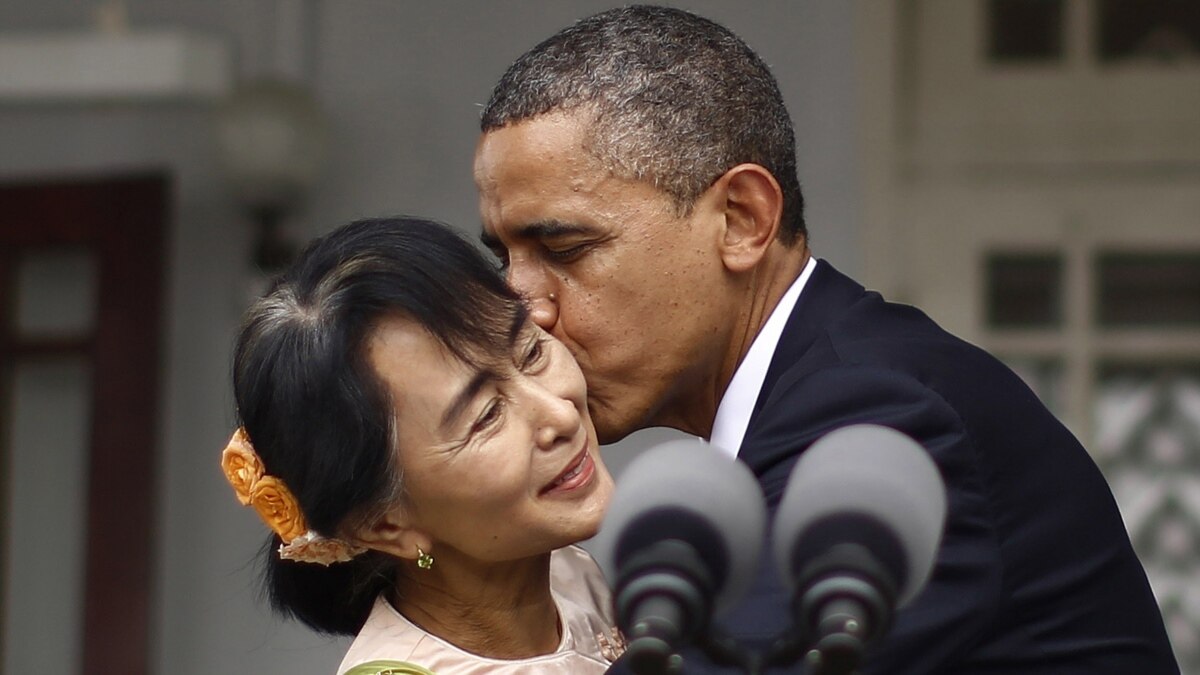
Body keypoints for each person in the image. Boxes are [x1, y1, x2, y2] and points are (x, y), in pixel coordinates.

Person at [473, 5, 1179, 673]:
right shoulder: (826, 395)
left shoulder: (882, 421)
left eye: (563, 247)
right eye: (503, 256)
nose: (521, 305)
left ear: (742, 220)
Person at [220, 217, 623, 674]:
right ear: (384, 524)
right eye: (486, 415)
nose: (560, 415)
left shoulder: (575, 579)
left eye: (531, 353)